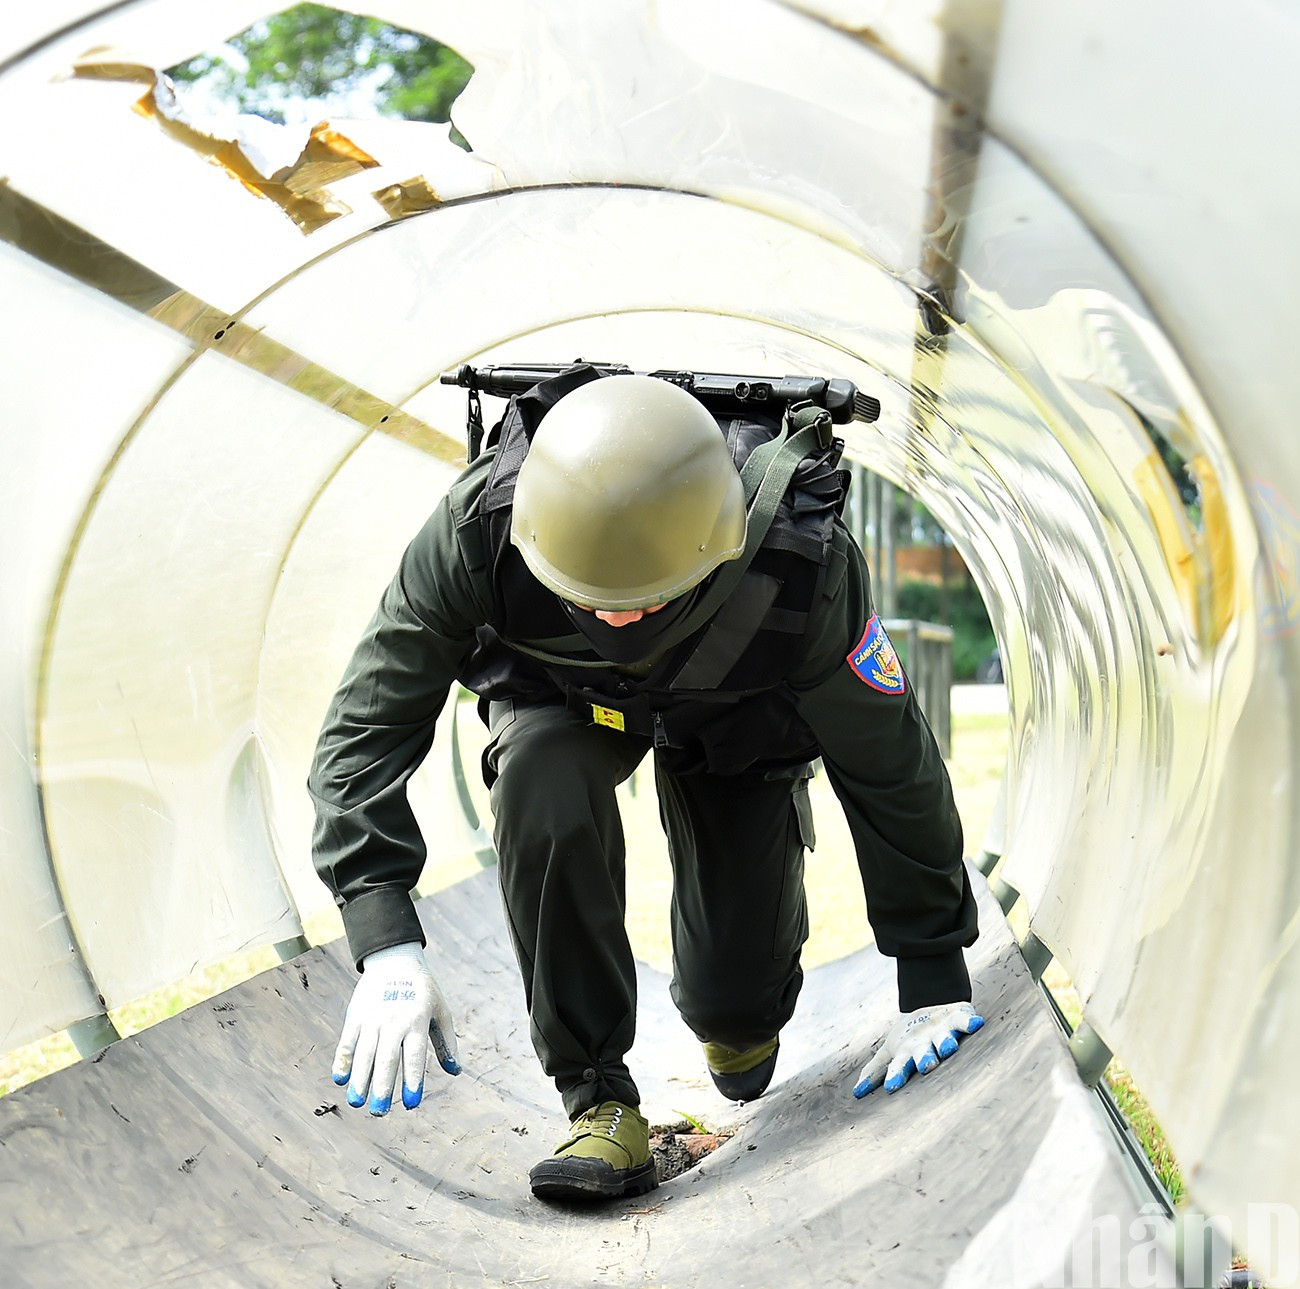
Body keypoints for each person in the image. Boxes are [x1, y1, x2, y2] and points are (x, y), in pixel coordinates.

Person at [308, 367, 985, 1202]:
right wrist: (386, 945)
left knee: (737, 1020)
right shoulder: (477, 529)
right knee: (539, 784)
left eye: (643, 599)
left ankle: (736, 1018)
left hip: (736, 716)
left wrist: (931, 975)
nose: (619, 619)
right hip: (564, 707)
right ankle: (597, 1101)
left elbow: (887, 759)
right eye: (594, 598)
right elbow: (362, 731)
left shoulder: (800, 563)